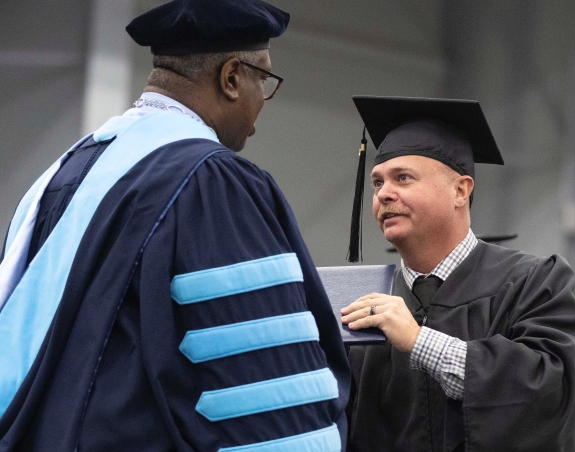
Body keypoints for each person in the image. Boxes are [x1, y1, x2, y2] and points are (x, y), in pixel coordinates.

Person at [0, 1, 350, 450]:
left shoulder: (67, 171)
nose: (263, 99)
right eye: (262, 79)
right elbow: (262, 390)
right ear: (230, 78)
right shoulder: (211, 182)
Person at [340, 96, 575, 452]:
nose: (385, 193)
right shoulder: (360, 306)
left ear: (460, 191)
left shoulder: (537, 283)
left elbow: (552, 391)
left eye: (403, 178)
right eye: (377, 182)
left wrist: (420, 342)